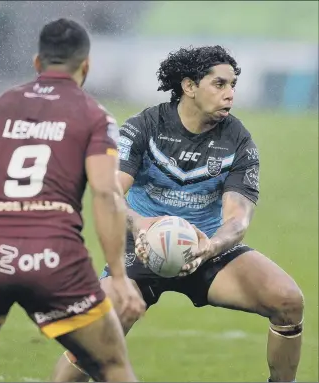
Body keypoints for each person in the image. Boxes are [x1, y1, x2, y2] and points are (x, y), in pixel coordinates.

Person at [53, 45, 305, 383]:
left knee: (288, 300)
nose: (230, 94)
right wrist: (140, 224)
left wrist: (210, 246)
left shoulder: (239, 141)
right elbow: (110, 192)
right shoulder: (144, 126)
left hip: (206, 249)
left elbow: (237, 219)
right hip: (140, 249)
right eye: (220, 84)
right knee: (94, 335)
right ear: (189, 86)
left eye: (233, 86)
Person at [0, 18, 146, 383]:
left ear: (37, 63)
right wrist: (118, 276)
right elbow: (106, 193)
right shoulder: (95, 117)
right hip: (56, 260)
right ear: (85, 66)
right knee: (111, 366)